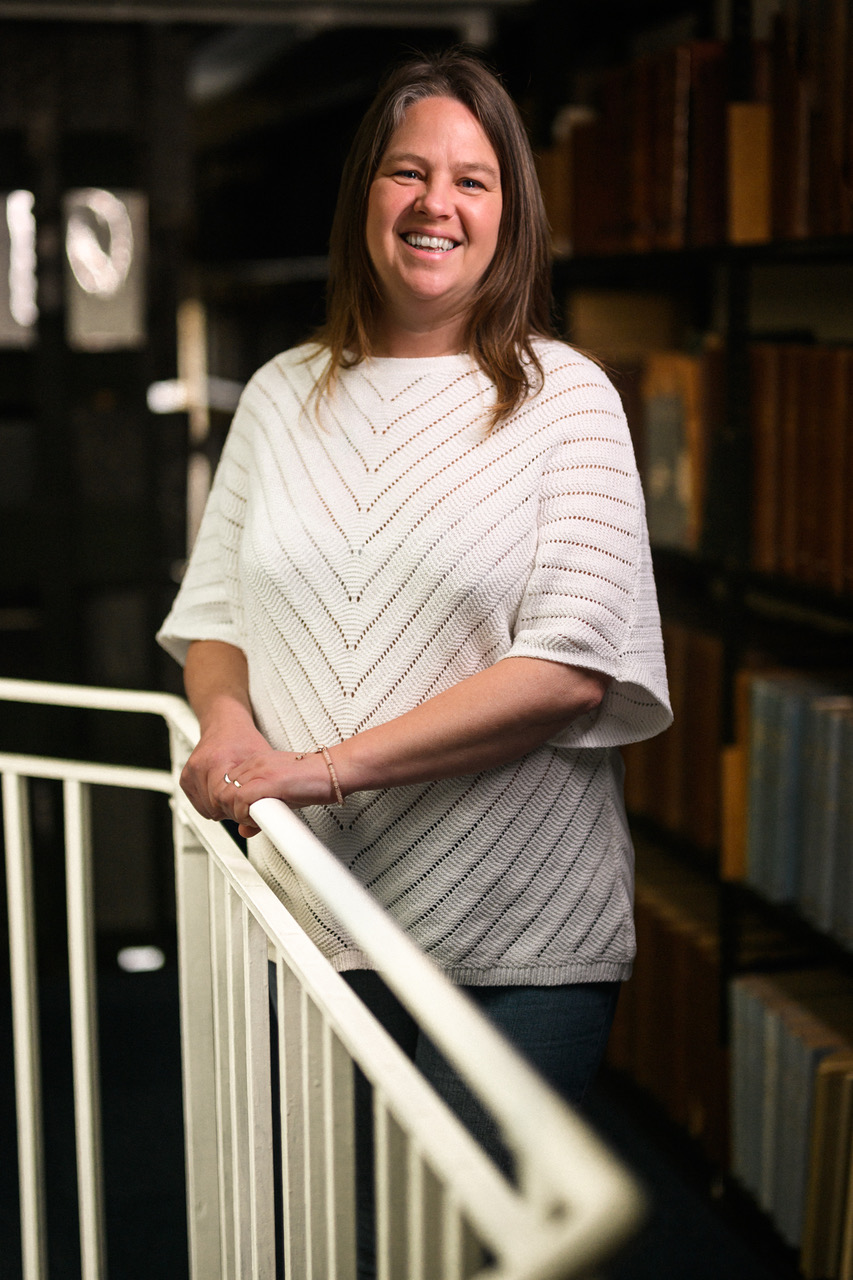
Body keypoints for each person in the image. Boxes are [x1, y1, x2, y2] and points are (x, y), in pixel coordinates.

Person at [157, 42, 671, 1246]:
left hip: (518, 935)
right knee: (311, 1237)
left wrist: (315, 768)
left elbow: (566, 672)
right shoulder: (283, 392)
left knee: (457, 1244)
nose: (436, 202)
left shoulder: (567, 398)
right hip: (305, 909)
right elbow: (216, 614)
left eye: (473, 179)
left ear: (510, 214)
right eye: (407, 172)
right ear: (366, 199)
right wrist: (229, 729)